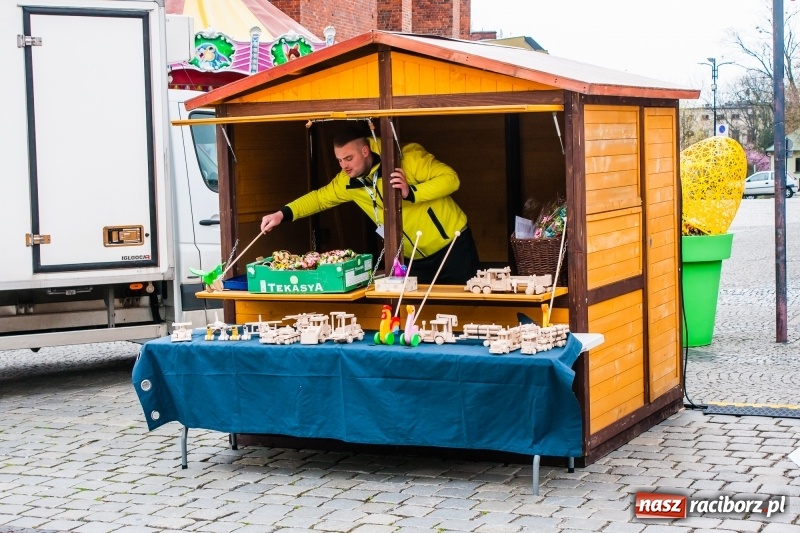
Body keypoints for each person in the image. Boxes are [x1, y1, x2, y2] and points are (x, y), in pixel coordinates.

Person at [260, 124, 480, 284]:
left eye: (348, 158)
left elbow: (451, 179)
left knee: (468, 307)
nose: (343, 166)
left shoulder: (406, 158)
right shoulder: (347, 181)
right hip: (411, 258)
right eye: (339, 160)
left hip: (452, 247)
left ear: (365, 151)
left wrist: (411, 192)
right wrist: (282, 214)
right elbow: (319, 198)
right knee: (419, 316)